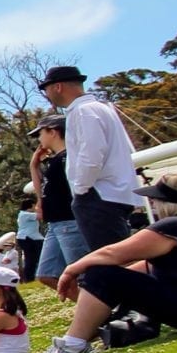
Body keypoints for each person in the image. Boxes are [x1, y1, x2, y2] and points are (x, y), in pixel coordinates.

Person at [37, 174, 177, 353]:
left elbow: (111, 254)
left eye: (155, 200)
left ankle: (71, 346)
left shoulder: (172, 227)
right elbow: (149, 267)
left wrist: (72, 270)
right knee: (107, 279)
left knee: (99, 274)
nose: (153, 205)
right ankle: (86, 334)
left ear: (167, 203)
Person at [39, 64, 138, 252]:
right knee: (119, 255)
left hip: (98, 195)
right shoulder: (101, 109)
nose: (48, 94)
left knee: (110, 259)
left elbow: (91, 156)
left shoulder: (83, 111)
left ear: (57, 87)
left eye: (47, 89)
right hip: (115, 193)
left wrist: (81, 189)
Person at [29, 114, 91, 291]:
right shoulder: (55, 161)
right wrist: (34, 166)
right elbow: (43, 190)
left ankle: (99, 313)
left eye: (40, 133)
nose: (39, 139)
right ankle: (94, 312)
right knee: (47, 274)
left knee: (82, 275)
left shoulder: (68, 158)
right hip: (55, 224)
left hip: (69, 221)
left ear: (53, 132)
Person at [15, 196, 43, 283]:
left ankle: (32, 276)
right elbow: (40, 216)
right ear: (30, 205)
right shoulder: (25, 214)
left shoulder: (23, 214)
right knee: (30, 259)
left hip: (31, 237)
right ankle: (29, 278)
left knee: (33, 258)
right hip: (28, 238)